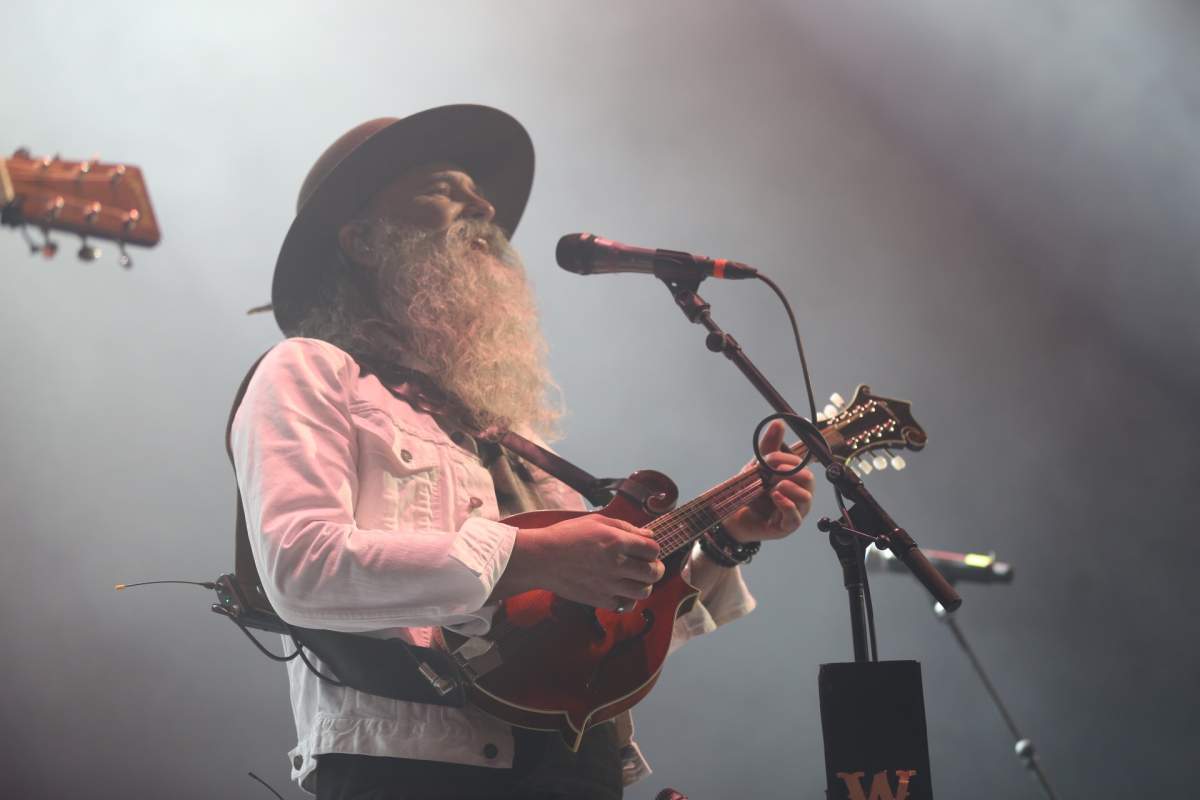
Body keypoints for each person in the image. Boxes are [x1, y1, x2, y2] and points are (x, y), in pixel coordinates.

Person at [231, 105, 815, 800]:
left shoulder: (510, 436)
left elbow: (589, 638)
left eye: (478, 190)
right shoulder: (307, 371)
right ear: (362, 239)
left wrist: (725, 541)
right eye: (443, 189)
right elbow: (299, 569)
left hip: (578, 769)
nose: (483, 205)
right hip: (415, 772)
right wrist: (532, 556)